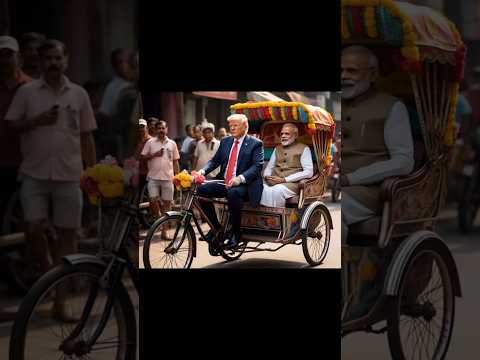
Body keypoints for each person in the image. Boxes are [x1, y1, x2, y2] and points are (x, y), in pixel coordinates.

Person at [6, 39, 97, 321]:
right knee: (33, 229)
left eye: (58, 58)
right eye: (48, 59)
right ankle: (48, 274)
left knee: (68, 236)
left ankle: (60, 298)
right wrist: (36, 121)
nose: (53, 63)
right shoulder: (27, 92)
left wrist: (93, 171)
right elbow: (11, 125)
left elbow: (86, 135)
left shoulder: (79, 93)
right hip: (34, 172)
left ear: (66, 61)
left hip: (70, 174)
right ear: (40, 62)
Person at [341, 45, 414, 321]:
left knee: (337, 215)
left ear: (372, 74)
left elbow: (403, 161)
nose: (344, 76)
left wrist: (352, 177)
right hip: (334, 185)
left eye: (352, 71)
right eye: (341, 70)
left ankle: (350, 297)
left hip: (368, 191)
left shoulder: (392, 107)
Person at [197, 114, 264, 249]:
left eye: (235, 126)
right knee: (201, 189)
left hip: (246, 185)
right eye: (230, 126)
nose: (232, 129)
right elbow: (214, 161)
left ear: (245, 126)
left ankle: (236, 232)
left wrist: (239, 179)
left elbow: (257, 166)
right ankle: (216, 227)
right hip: (225, 181)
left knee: (233, 193)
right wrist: (202, 171)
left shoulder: (255, 143)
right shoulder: (225, 141)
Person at [0, 36, 32, 221]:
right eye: (1, 55)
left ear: (18, 57)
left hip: (26, 161)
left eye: (8, 54)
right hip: (2, 160)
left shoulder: (32, 86)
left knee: (27, 215)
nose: (4, 60)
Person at [260, 123, 313, 207]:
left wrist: (285, 180)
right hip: (273, 181)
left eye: (287, 134)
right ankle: (263, 216)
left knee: (277, 190)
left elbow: (308, 172)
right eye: (282, 134)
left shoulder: (304, 148)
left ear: (295, 135)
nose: (283, 136)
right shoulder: (277, 148)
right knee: (258, 187)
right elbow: (270, 167)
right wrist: (267, 176)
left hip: (292, 184)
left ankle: (277, 218)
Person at [141, 120, 180, 231]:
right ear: (155, 130)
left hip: (168, 178)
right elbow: (143, 157)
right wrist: (154, 154)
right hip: (153, 177)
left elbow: (175, 161)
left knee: (168, 204)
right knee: (153, 200)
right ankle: (159, 218)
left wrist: (178, 176)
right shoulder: (150, 142)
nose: (161, 130)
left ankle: (165, 229)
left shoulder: (172, 143)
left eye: (163, 128)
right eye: (159, 128)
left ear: (167, 129)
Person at [135, 118, 152, 190]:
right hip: (141, 171)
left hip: (150, 172)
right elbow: (136, 156)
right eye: (139, 127)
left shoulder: (151, 140)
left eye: (143, 127)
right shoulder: (139, 142)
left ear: (147, 128)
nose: (141, 129)